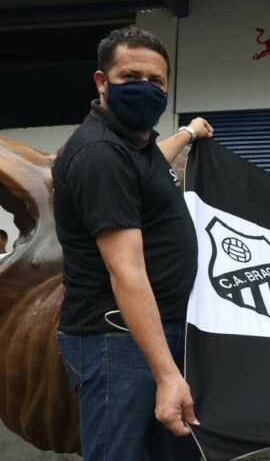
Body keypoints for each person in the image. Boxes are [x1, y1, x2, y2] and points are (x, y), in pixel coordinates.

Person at [52, 26, 213, 460]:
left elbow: (146, 172)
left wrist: (189, 134)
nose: (145, 89)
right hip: (117, 341)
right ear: (102, 82)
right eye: (130, 77)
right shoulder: (99, 155)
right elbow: (127, 270)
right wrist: (166, 375)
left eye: (156, 81)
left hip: (151, 336)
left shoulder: (134, 146)